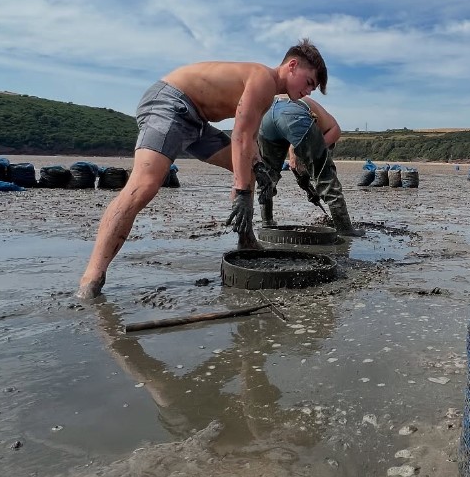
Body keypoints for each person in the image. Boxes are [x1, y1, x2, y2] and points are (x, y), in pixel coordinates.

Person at [76, 39, 328, 299]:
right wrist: (242, 195)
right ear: (293, 66)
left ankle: (245, 239)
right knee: (145, 185)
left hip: (197, 121)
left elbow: (249, 140)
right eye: (309, 82)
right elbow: (240, 136)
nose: (309, 91)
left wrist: (258, 169)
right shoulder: (263, 78)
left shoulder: (268, 93)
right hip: (171, 104)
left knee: (249, 170)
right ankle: (92, 277)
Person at [258, 94, 364, 236]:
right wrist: (311, 171)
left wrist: (307, 186)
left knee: (268, 175)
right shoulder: (334, 129)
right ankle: (345, 229)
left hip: (266, 113)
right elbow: (313, 156)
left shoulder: (313, 121)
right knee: (325, 174)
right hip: (292, 113)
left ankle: (267, 222)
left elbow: (295, 160)